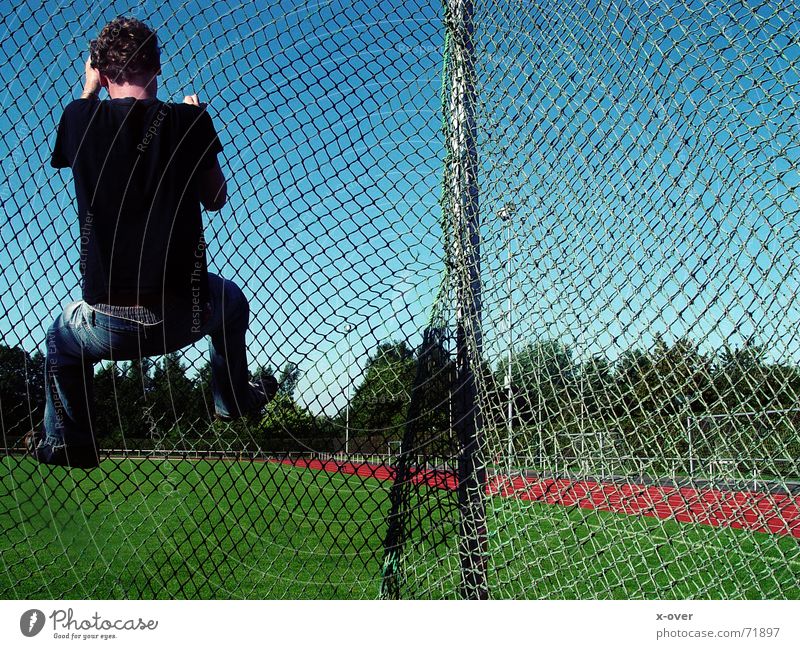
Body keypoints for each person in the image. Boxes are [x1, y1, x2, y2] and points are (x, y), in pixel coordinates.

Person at [25, 16, 276, 468]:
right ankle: (232, 399)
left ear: (100, 71)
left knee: (61, 338)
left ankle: (69, 441)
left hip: (110, 323)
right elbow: (216, 198)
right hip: (189, 311)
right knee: (233, 302)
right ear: (157, 67)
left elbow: (70, 141)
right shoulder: (187, 119)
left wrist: (88, 89)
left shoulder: (79, 117)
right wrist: (197, 122)